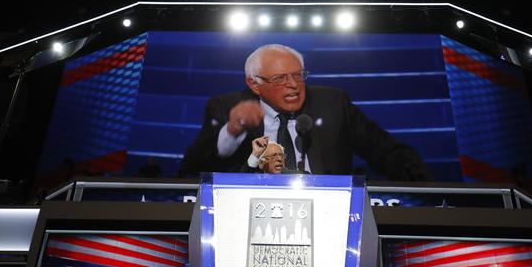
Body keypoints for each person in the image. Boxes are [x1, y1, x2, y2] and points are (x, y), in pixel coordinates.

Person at [180, 44, 432, 181]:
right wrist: (233, 129)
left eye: (298, 75)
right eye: (280, 78)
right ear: (254, 84)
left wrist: (423, 184)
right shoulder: (225, 107)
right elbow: (193, 164)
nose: (293, 85)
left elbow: (385, 150)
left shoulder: (332, 103)